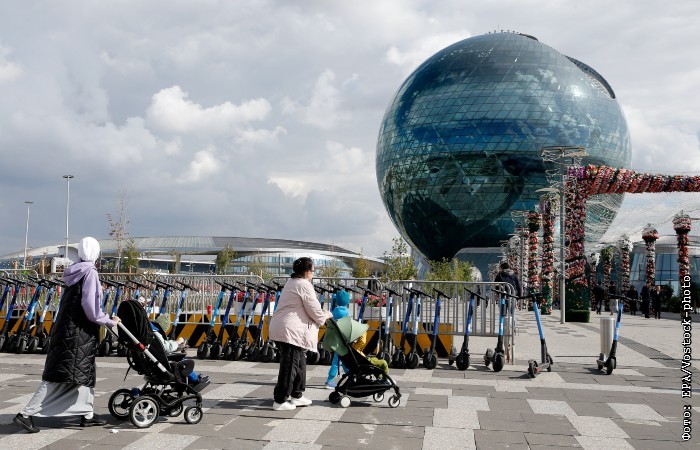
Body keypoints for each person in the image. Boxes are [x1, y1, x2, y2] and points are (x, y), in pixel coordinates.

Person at [14, 237, 120, 433]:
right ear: (96, 253)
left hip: (68, 329)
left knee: (84, 372)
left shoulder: (75, 271)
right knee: (58, 376)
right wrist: (108, 320)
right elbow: (91, 309)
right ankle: (25, 414)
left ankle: (87, 414)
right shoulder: (90, 273)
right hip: (78, 332)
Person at [268, 257, 332, 411]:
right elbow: (315, 312)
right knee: (290, 365)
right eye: (313, 270)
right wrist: (326, 315)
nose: (313, 273)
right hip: (290, 331)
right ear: (308, 271)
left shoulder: (292, 282)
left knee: (299, 363)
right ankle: (280, 401)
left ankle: (296, 395)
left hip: (286, 328)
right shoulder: (304, 285)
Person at [151, 314, 209, 388]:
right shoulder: (155, 332)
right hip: (160, 364)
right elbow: (166, 347)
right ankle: (195, 381)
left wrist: (175, 343)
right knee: (181, 360)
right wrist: (178, 342)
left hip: (152, 363)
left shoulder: (148, 331)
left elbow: (162, 344)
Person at [325, 289, 350, 389]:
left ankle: (350, 375)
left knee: (342, 360)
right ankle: (329, 380)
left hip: (335, 339)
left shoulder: (334, 311)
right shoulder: (346, 312)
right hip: (342, 340)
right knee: (337, 361)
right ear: (347, 302)